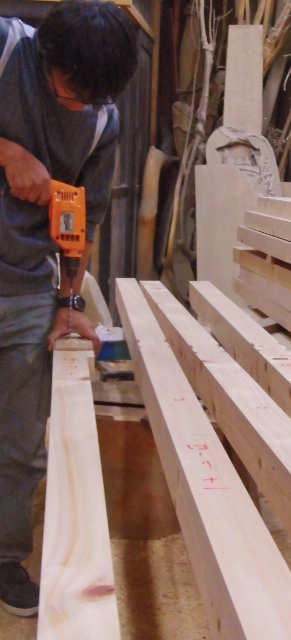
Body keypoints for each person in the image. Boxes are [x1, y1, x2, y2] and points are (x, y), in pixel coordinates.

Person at [0, 0, 138, 617]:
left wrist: (69, 302)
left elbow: (85, 218)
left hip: (28, 290)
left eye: (95, 97)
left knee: (20, 445)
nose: (79, 107)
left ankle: (4, 558)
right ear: (46, 53)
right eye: (69, 91)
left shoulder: (102, 119)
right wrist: (8, 152)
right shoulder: (6, 48)